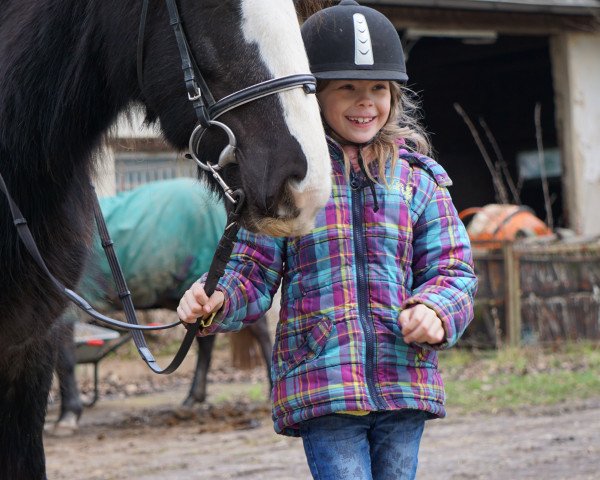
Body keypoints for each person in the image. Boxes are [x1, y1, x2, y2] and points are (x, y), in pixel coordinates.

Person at [178, 1, 477, 478]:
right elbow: (252, 273)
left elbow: (453, 270)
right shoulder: (291, 184)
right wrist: (216, 299)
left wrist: (437, 310)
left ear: (394, 95)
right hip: (324, 384)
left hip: (404, 380)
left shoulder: (418, 182)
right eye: (348, 88)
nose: (365, 102)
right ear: (314, 95)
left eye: (378, 88)